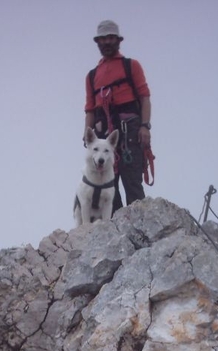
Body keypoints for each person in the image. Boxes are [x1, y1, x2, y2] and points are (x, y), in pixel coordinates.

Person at [84, 20, 152, 213]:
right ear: (98, 42)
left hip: (129, 132)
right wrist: (86, 136)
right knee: (107, 187)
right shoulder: (91, 76)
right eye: (103, 39)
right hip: (103, 135)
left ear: (118, 40)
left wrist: (145, 126)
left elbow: (144, 98)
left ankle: (141, 228)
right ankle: (118, 233)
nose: (107, 42)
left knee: (132, 184)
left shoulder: (131, 66)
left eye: (111, 38)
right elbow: (90, 108)